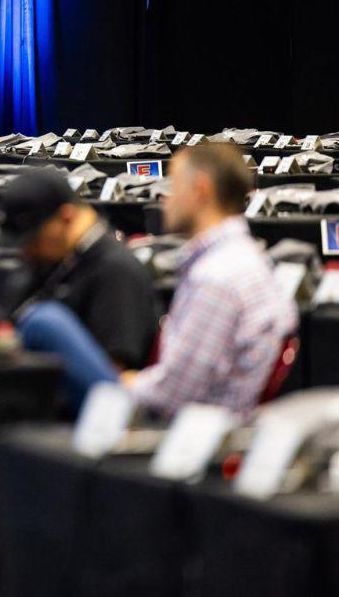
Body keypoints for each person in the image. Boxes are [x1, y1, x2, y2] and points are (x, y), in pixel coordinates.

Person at [15, 144, 299, 415]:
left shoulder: (217, 278)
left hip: (174, 432)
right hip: (194, 418)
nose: (165, 199)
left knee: (44, 322)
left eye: (174, 186)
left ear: (200, 190)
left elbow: (174, 397)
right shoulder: (244, 260)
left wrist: (128, 382)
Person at [0, 169, 157, 397]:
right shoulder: (53, 262)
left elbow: (111, 375)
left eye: (33, 238)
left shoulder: (116, 271)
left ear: (67, 217)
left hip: (88, 413)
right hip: (35, 397)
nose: (26, 250)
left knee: (45, 322)